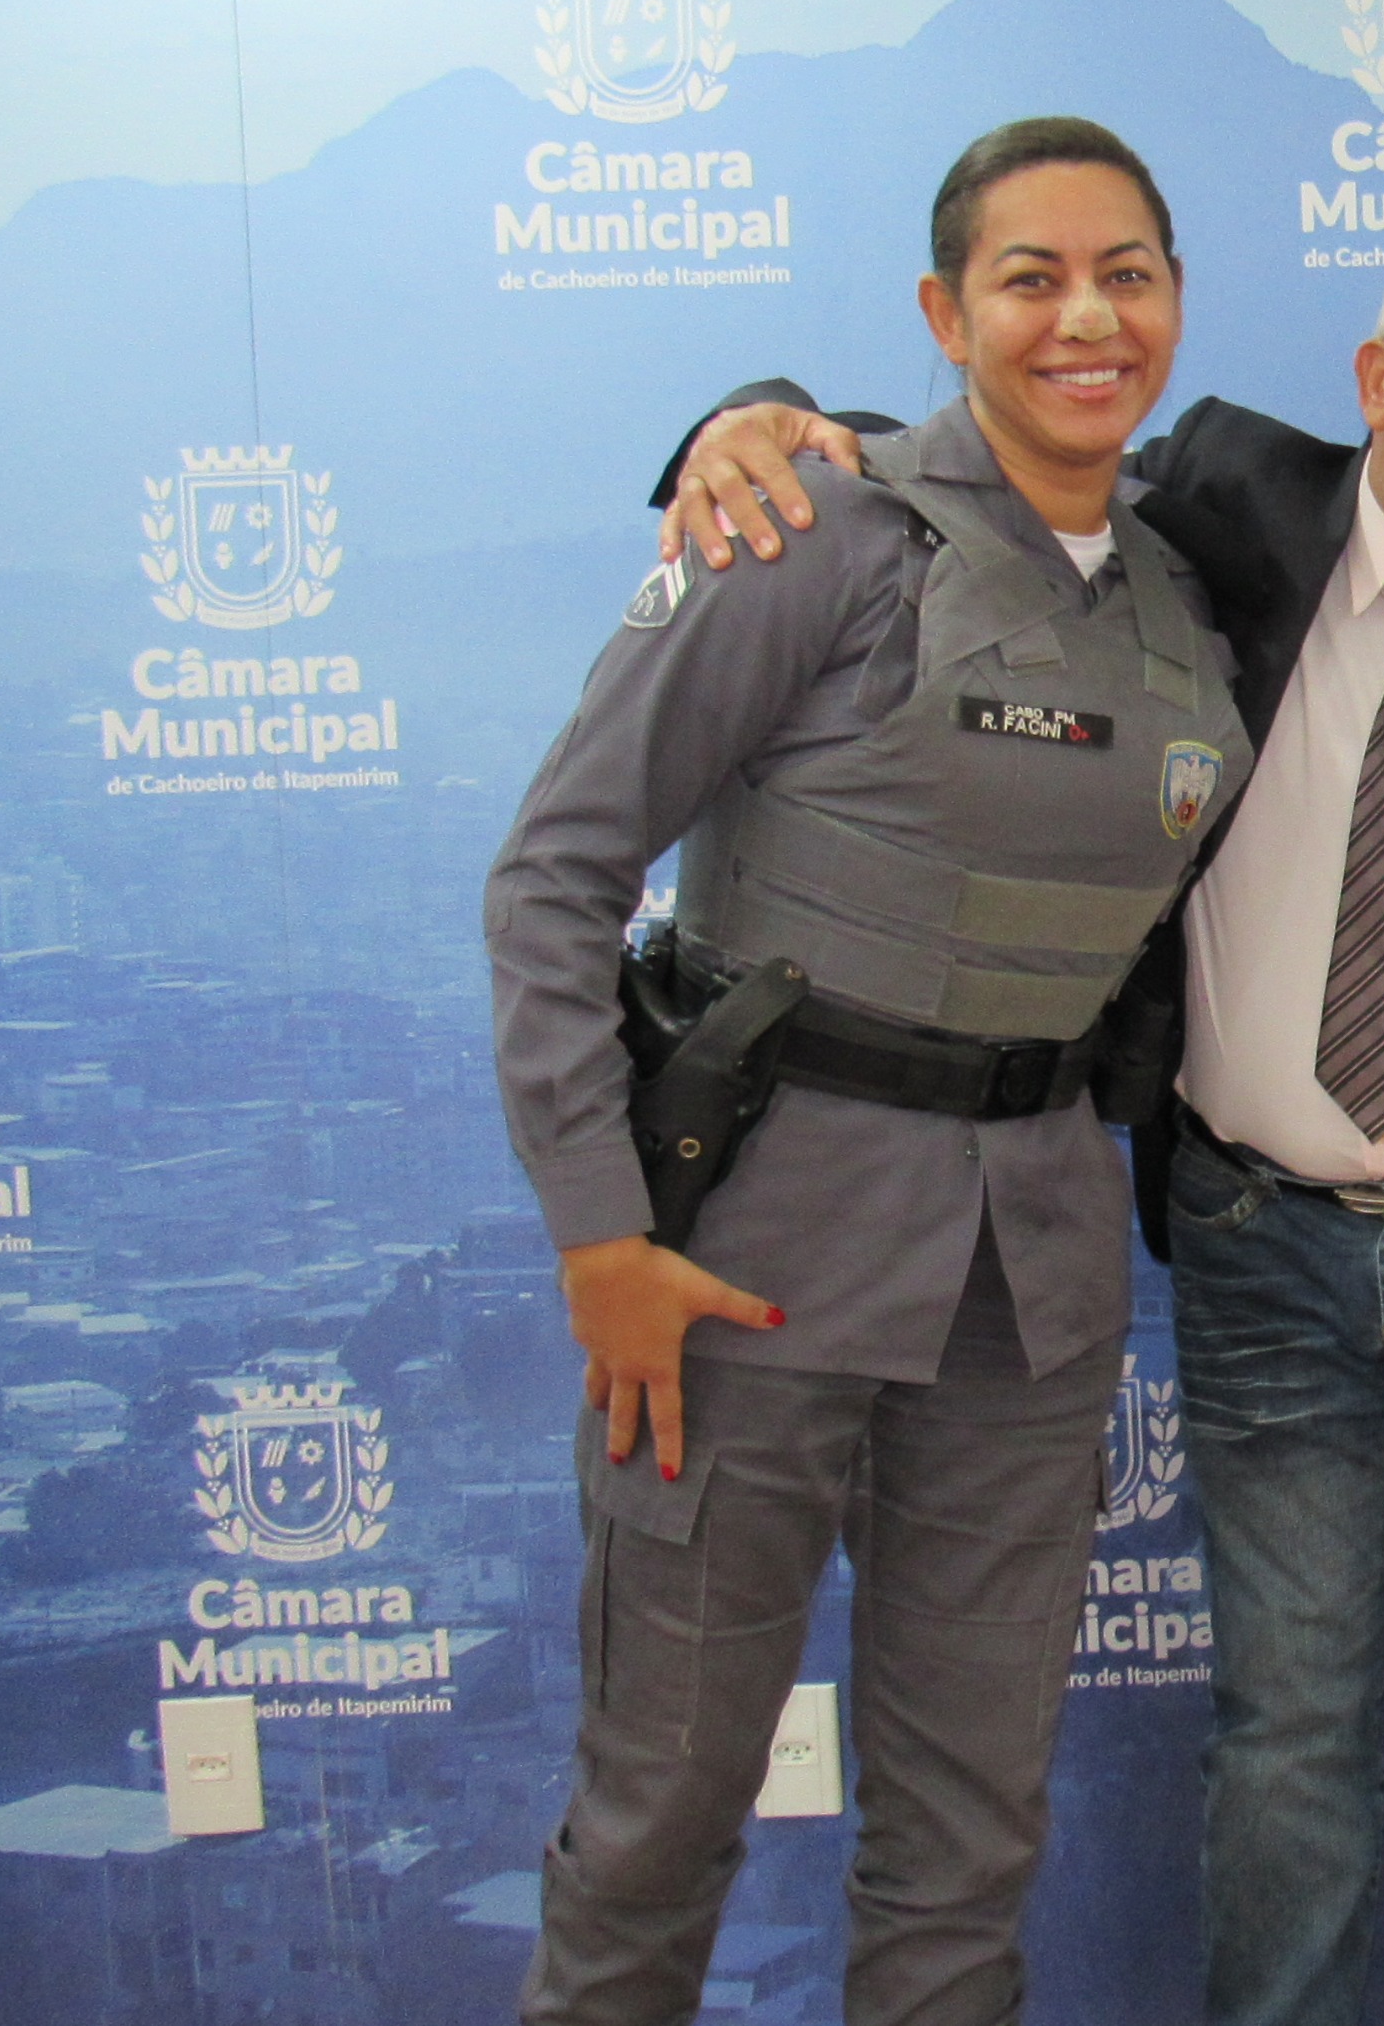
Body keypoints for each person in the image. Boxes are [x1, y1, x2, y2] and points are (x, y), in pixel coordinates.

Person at [650, 209, 1384, 2026]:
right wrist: (759, 415)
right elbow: (1000, 471)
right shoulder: (1229, 508)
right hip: (1258, 1241)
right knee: (1289, 1728)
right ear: (1377, 374)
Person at [485, 117, 1257, 2026]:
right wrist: (598, 1236)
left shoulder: (1187, 598)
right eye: (1030, 277)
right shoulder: (807, 535)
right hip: (746, 1272)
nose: (1086, 318)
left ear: (1175, 300)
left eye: (1128, 275)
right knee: (659, 1818)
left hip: (1030, 1298)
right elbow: (555, 875)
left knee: (966, 1848)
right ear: (943, 310)